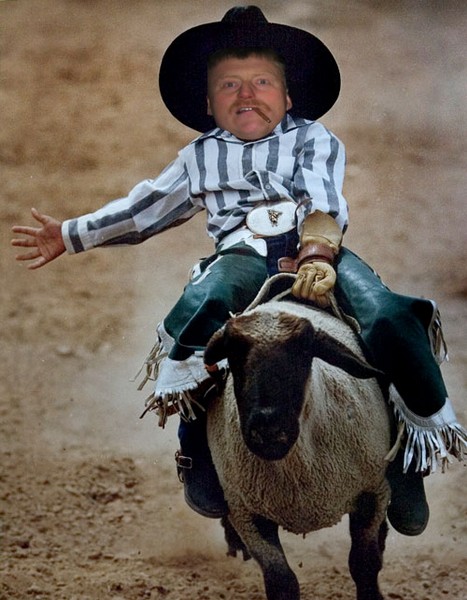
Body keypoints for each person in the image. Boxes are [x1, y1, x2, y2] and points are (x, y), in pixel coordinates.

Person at [11, 6, 466, 535]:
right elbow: (143, 211)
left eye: (262, 82)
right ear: (209, 104)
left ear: (288, 96)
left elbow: (323, 199)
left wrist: (318, 256)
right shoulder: (198, 157)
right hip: (242, 255)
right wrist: (71, 233)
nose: (246, 94)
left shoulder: (314, 138)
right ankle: (197, 453)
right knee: (202, 309)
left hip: (319, 252)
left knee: (389, 317)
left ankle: (410, 458)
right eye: (229, 84)